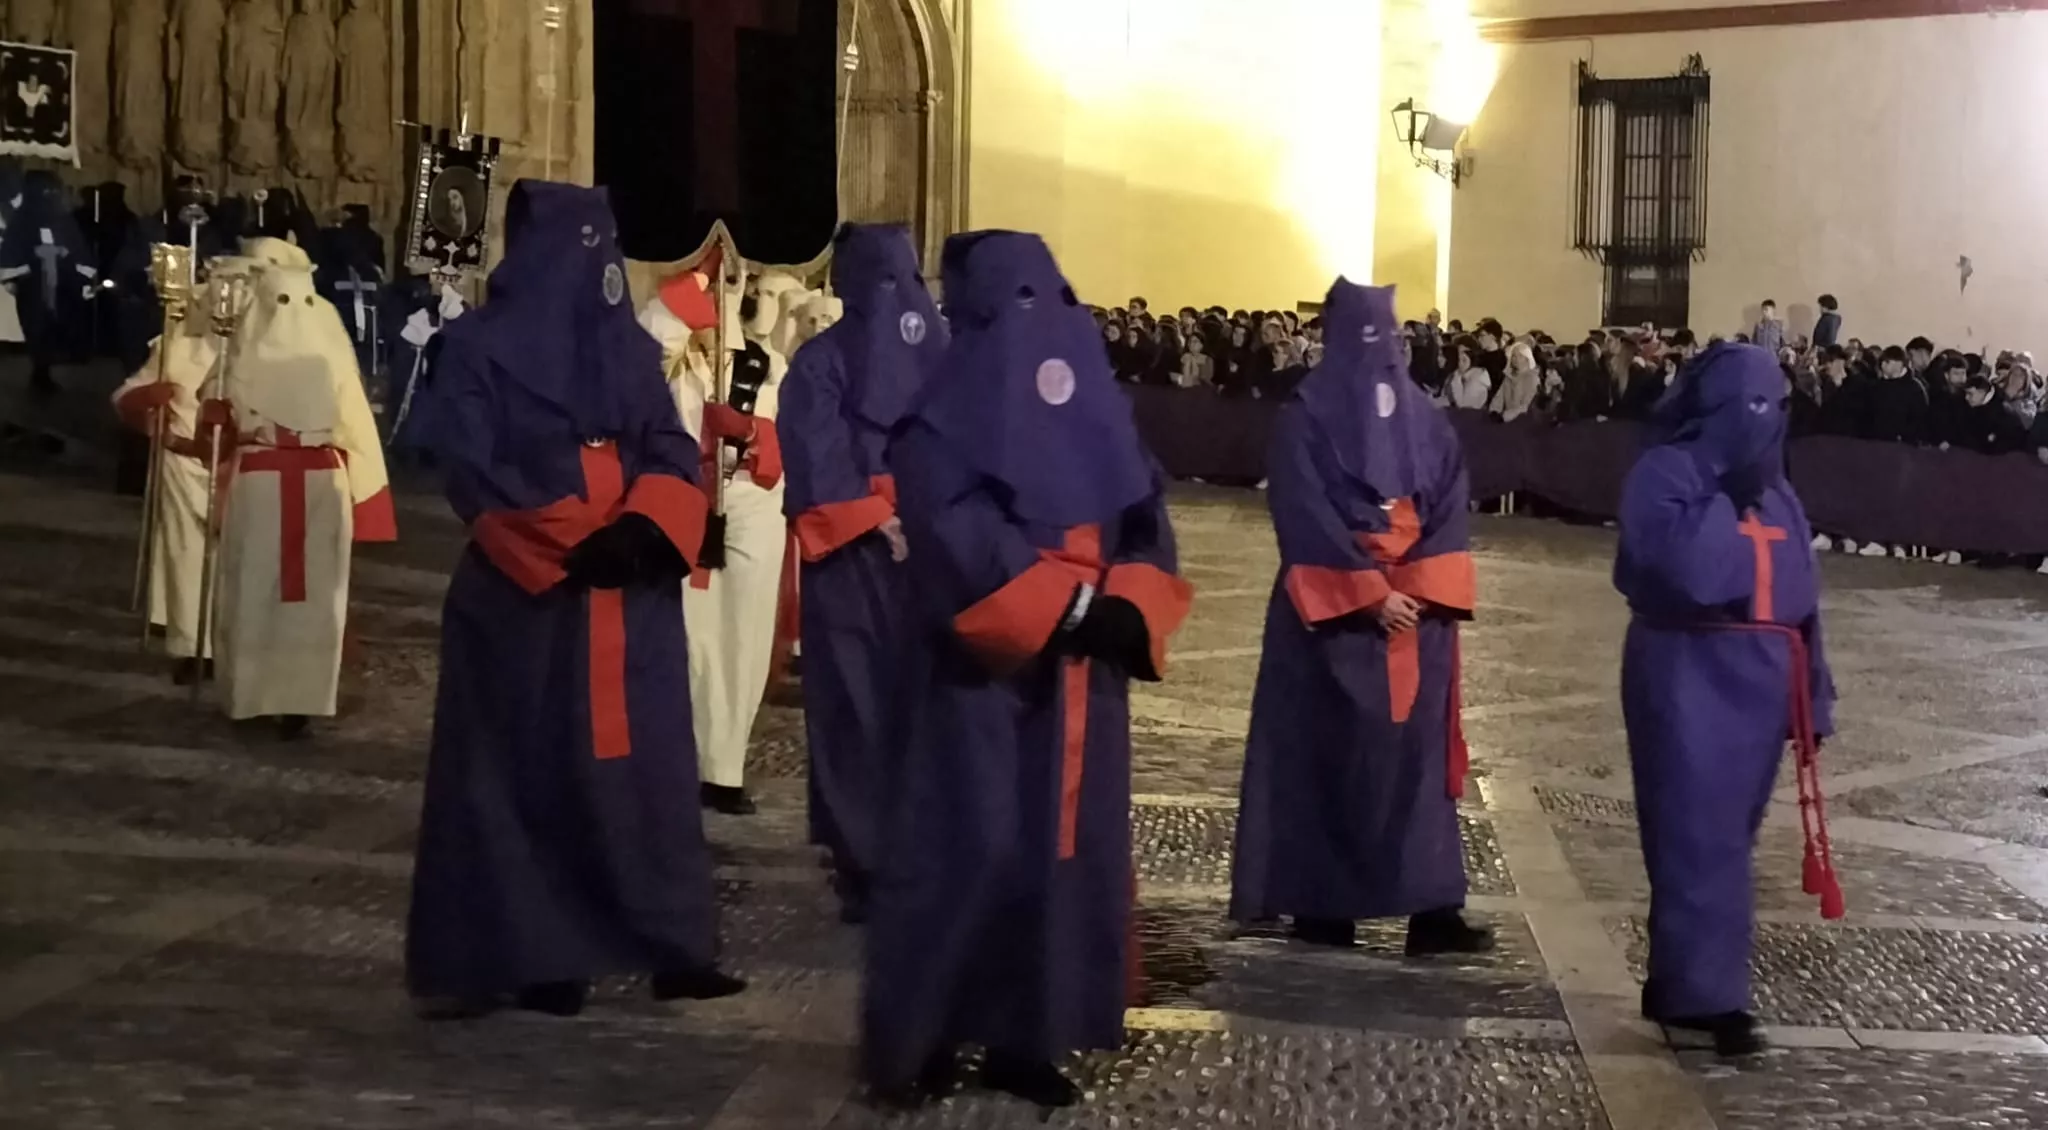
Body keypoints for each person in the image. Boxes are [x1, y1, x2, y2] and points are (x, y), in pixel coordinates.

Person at [862, 231, 1192, 1109]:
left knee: (1063, 853)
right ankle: (921, 1033)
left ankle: (1028, 1030)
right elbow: (950, 525)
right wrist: (1069, 605)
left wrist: (1127, 598)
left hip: (1085, 675)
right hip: (980, 672)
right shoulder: (942, 415)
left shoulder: (1095, 403)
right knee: (963, 846)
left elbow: (1142, 508)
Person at [406, 180, 744, 1019]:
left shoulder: (626, 349)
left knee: (649, 777)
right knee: (527, 777)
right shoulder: (478, 349)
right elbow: (473, 469)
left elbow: (668, 445)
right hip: (531, 602)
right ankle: (541, 952)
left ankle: (670, 939)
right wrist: (570, 540)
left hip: (631, 594)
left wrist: (643, 526)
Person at [1230, 279, 1488, 955]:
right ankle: (1325, 901)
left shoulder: (1427, 421)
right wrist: (1371, 594)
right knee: (1328, 758)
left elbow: (1451, 508)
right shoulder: (1305, 418)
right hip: (1336, 624)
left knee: (1419, 766)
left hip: (1415, 622)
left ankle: (1430, 903)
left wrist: (1416, 589)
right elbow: (1303, 515)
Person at [1615, 342, 1839, 1058]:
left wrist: (1815, 697)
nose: (1760, 420)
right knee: (1691, 834)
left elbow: (1804, 599)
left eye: (1772, 406)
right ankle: (1702, 995)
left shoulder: (1780, 490)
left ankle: (1685, 983)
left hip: (1764, 678)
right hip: (1687, 668)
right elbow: (1675, 568)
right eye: (1745, 405)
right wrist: (1721, 487)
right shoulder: (1666, 472)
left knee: (1727, 843)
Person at [779, 224, 945, 923]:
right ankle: (868, 853)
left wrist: (898, 515)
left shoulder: (821, 361)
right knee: (858, 701)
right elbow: (817, 455)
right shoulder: (834, 363)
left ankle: (896, 850)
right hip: (869, 552)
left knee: (899, 704)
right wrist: (895, 514)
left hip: (903, 550)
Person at [207, 242, 395, 737]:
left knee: (280, 593)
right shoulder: (310, 334)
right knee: (287, 593)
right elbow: (356, 420)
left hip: (279, 481)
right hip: (310, 483)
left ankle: (272, 696)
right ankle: (282, 697)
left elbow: (218, 399)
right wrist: (368, 494)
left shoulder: (247, 337)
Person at [110, 258, 254, 684]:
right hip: (182, 464)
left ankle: (238, 647)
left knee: (239, 564)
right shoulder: (178, 344)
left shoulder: (261, 353)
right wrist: (143, 403)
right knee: (186, 559)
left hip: (239, 471)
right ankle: (193, 649)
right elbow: (130, 391)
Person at [1864, 345, 1930, 445]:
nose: (1883, 365)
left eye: (1887, 362)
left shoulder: (1914, 388)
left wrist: (1906, 437)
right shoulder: (1876, 387)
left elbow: (1920, 418)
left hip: (1904, 447)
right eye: (1882, 362)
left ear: (1899, 363)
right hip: (1876, 444)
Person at [1440, 338, 1490, 409]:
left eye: (1465, 353)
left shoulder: (1478, 378)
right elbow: (1446, 396)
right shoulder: (1455, 374)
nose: (1460, 357)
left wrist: (1458, 377)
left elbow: (1464, 405)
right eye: (1459, 353)